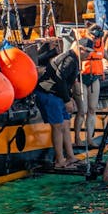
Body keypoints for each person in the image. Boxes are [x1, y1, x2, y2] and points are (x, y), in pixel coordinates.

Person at [35, 35, 85, 169]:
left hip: (58, 94)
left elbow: (66, 82)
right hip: (49, 93)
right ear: (79, 49)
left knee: (66, 124)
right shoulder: (70, 59)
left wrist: (69, 96)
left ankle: (70, 156)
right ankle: (59, 160)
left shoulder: (74, 59)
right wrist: (67, 100)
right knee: (57, 126)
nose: (87, 55)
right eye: (85, 51)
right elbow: (60, 79)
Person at [73, 27, 104, 150]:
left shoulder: (100, 44)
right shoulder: (79, 43)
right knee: (82, 110)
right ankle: (77, 138)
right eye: (94, 37)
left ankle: (90, 139)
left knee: (92, 109)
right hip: (81, 78)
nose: (96, 39)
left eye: (98, 37)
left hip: (94, 78)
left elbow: (107, 55)